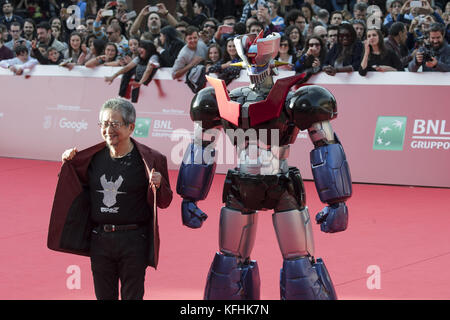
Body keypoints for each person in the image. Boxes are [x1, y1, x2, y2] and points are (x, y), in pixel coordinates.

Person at [177, 32, 352, 300]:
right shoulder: (224, 99)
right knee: (229, 262)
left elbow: (325, 145)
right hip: (241, 185)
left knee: (298, 263)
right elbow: (201, 146)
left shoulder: (294, 100)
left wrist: (337, 201)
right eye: (249, 60)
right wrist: (190, 196)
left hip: (281, 185)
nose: (255, 67)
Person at [48, 97, 173, 300]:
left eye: (115, 124)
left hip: (134, 240)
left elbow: (165, 201)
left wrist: (159, 184)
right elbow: (72, 186)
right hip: (100, 240)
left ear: (131, 127)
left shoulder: (150, 160)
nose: (108, 130)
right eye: (104, 124)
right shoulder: (92, 159)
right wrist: (67, 164)